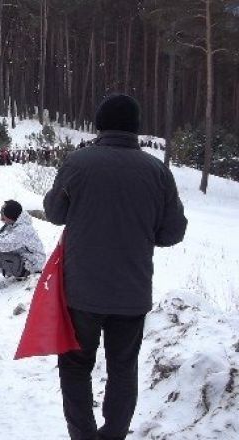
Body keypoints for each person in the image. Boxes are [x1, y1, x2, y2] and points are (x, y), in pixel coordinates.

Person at [44, 94, 187, 440]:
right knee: (123, 368)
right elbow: (173, 232)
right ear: (137, 128)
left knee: (76, 366)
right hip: (132, 292)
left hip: (82, 293)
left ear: (99, 124)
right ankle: (114, 435)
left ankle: (83, 435)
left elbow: (54, 214)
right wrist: (138, 235)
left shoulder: (77, 164)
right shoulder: (158, 171)